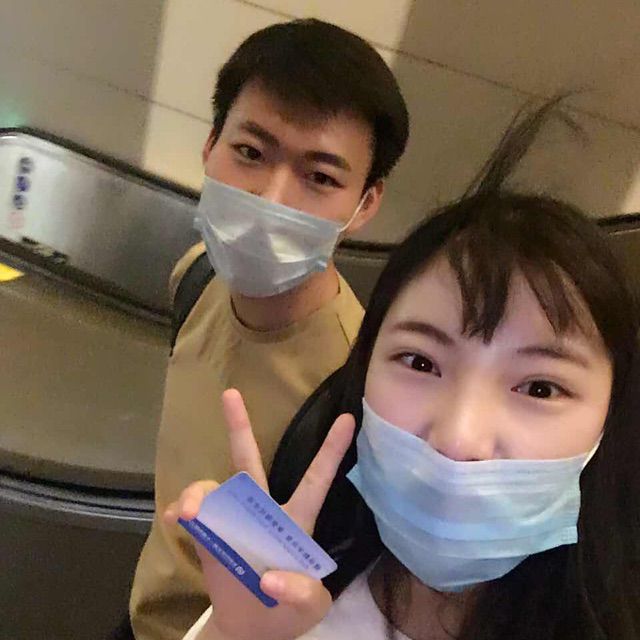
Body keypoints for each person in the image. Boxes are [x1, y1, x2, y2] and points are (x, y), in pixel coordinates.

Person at [169, 100, 640, 640]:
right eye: (420, 362)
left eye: (540, 387)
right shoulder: (285, 590)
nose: (458, 441)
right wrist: (237, 634)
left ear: (612, 415)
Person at [129, 18, 409, 640]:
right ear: (210, 145)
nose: (272, 199)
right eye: (251, 153)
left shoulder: (354, 395)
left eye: (321, 178)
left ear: (365, 203)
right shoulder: (196, 276)